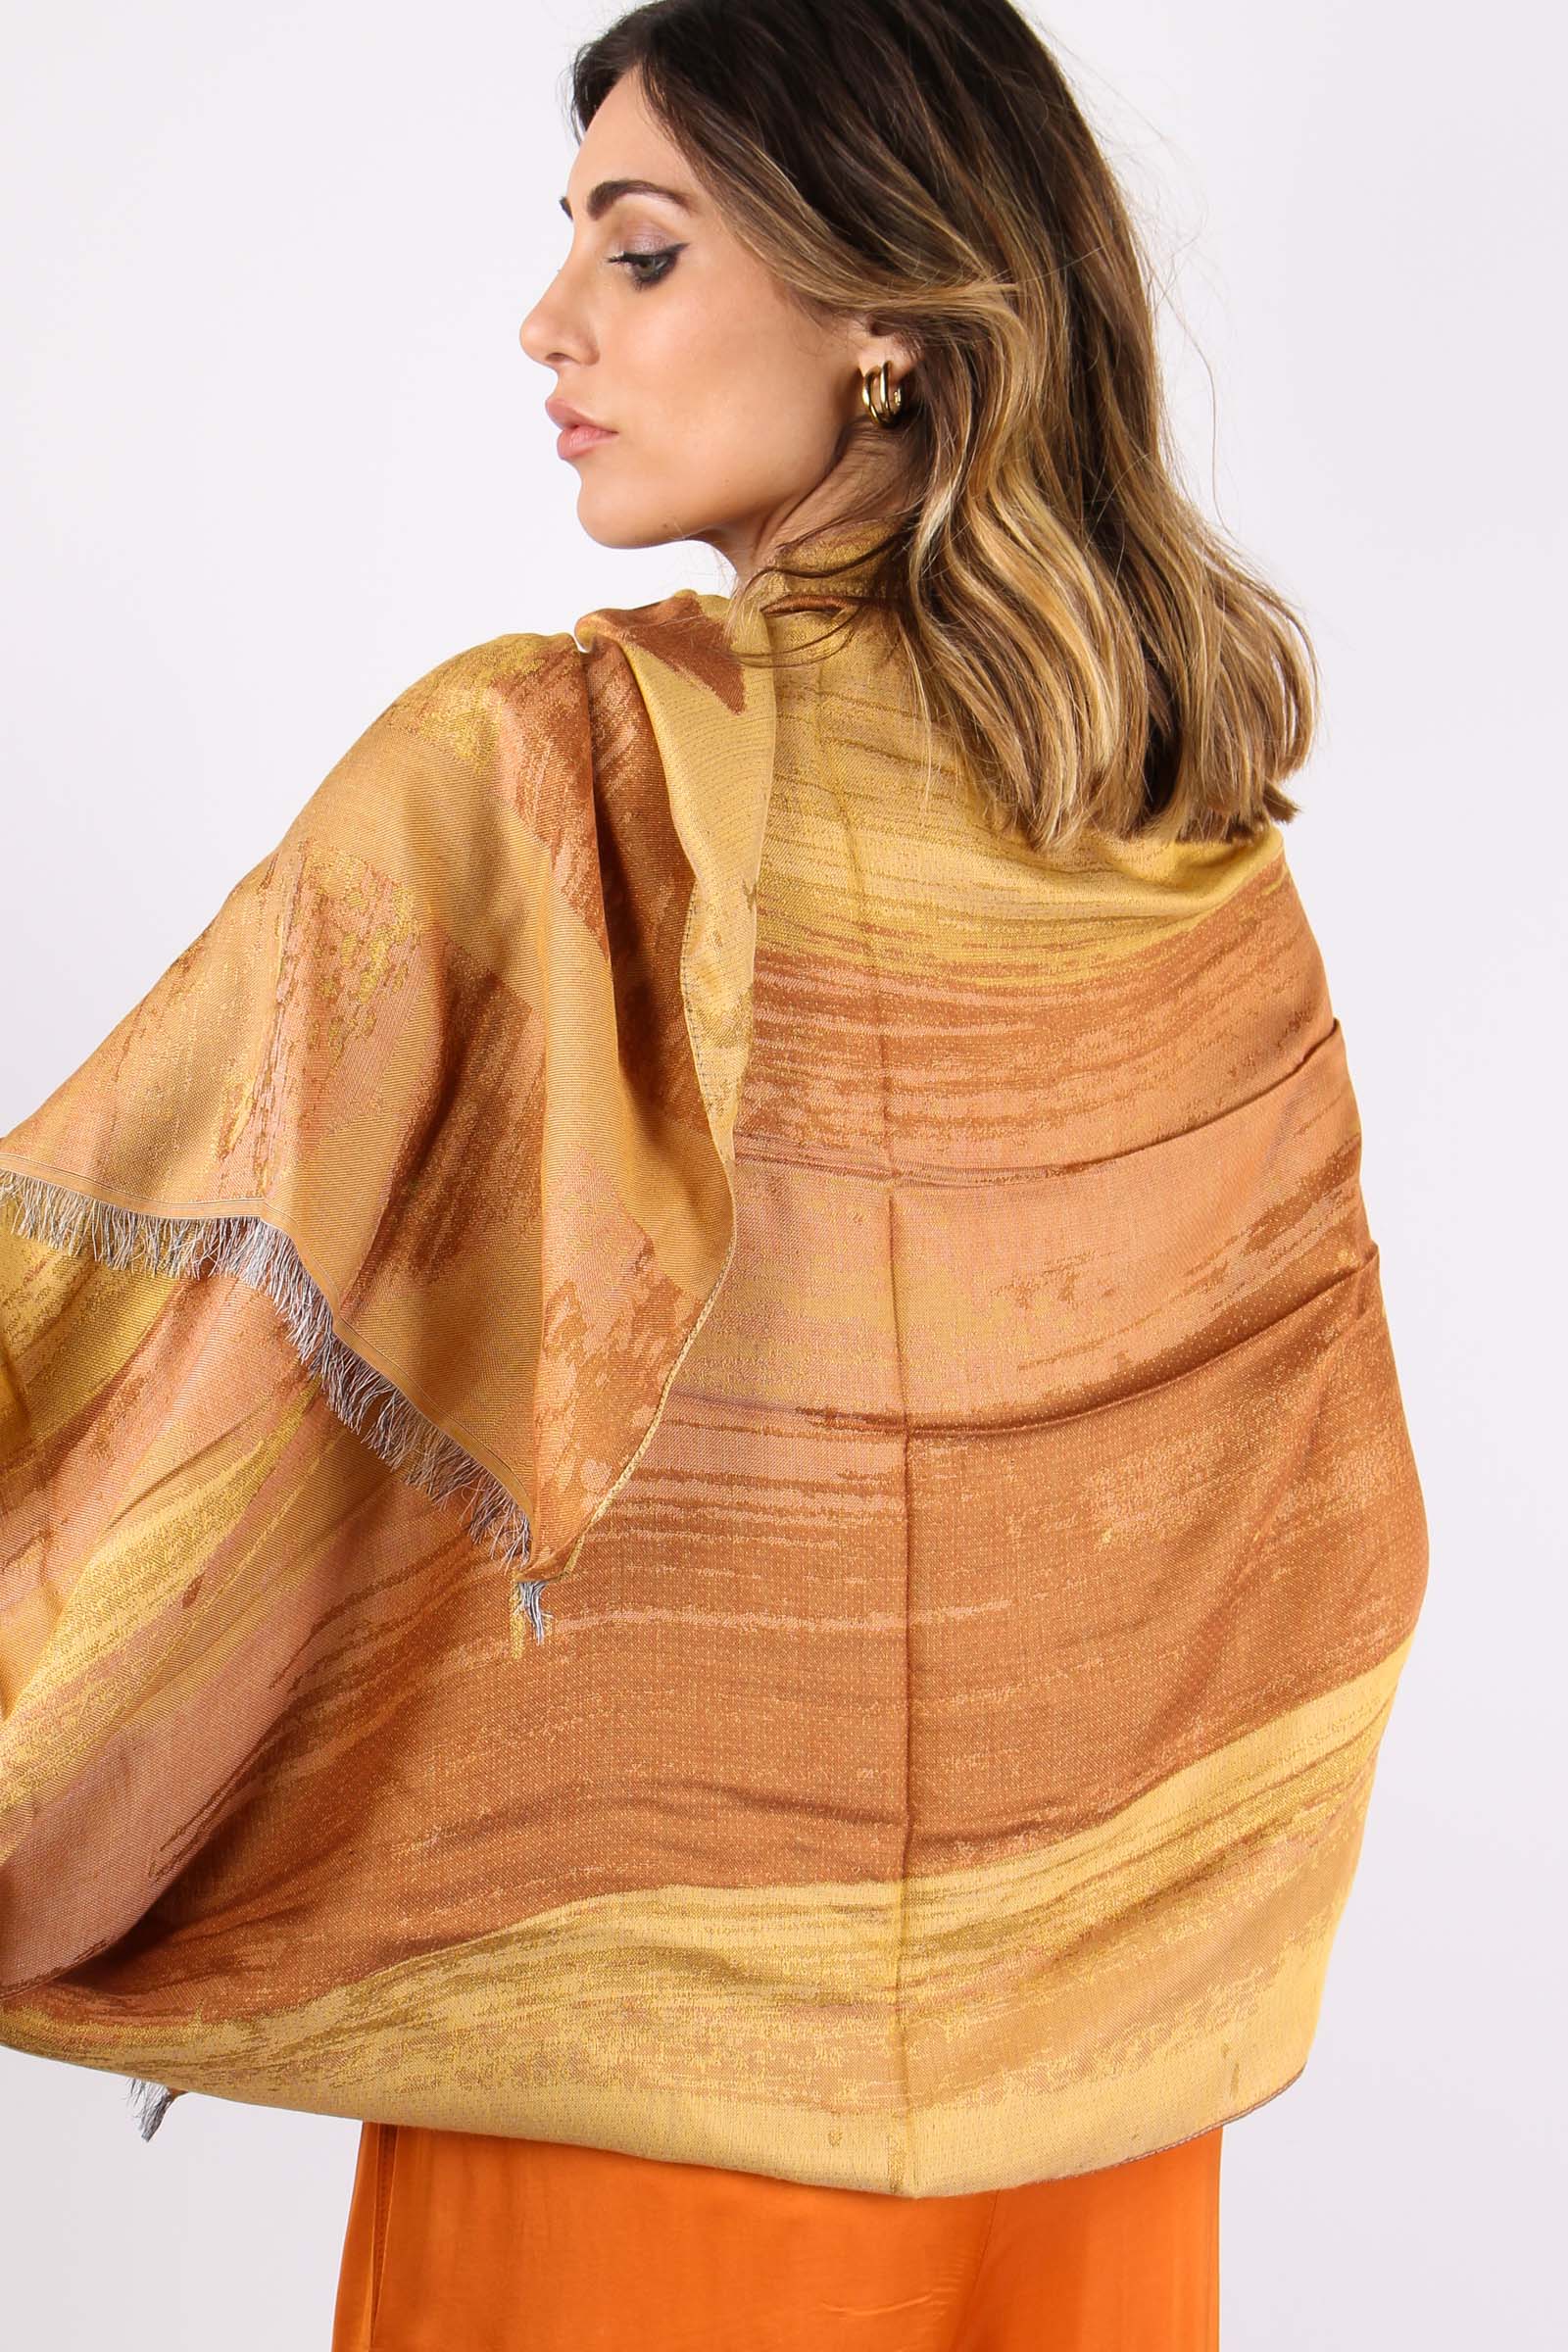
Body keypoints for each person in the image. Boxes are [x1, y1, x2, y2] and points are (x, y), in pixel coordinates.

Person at [0, 5, 1426, 2348]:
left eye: (638, 252)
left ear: (891, 310)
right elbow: (1313, 1536)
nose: (547, 323)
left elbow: (146, 1326)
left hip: (624, 2074)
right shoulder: (1181, 857)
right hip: (1087, 2094)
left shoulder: (550, 783)